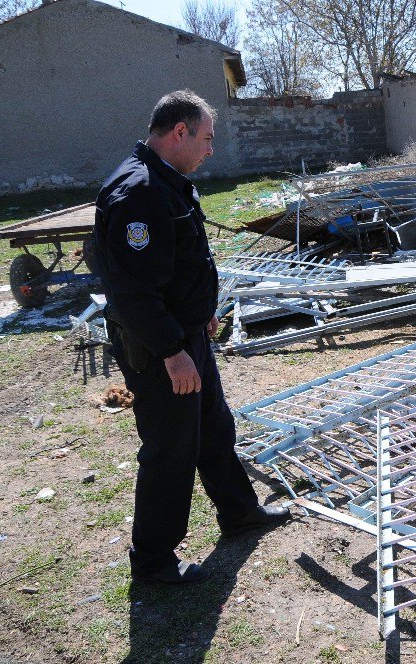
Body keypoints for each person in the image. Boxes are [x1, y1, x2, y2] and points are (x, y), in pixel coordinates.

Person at [94, 90, 291, 585]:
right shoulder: (138, 191)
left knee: (213, 427)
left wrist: (200, 315)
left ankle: (239, 512)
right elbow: (134, 291)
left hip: (185, 337)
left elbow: (178, 264)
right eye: (205, 138)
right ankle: (154, 562)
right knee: (170, 449)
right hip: (162, 349)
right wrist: (172, 352)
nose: (210, 149)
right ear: (178, 132)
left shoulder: (169, 182)